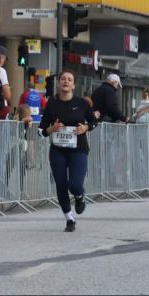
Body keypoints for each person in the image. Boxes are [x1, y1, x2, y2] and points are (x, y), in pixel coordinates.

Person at [40, 69, 99, 233]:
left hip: (78, 149)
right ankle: (69, 219)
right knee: (61, 184)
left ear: (73, 85)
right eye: (63, 79)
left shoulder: (81, 103)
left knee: (74, 184)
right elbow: (41, 130)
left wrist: (86, 127)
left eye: (69, 79)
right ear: (59, 83)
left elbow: (95, 122)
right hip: (58, 150)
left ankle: (80, 197)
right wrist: (51, 129)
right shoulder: (51, 103)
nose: (66, 81)